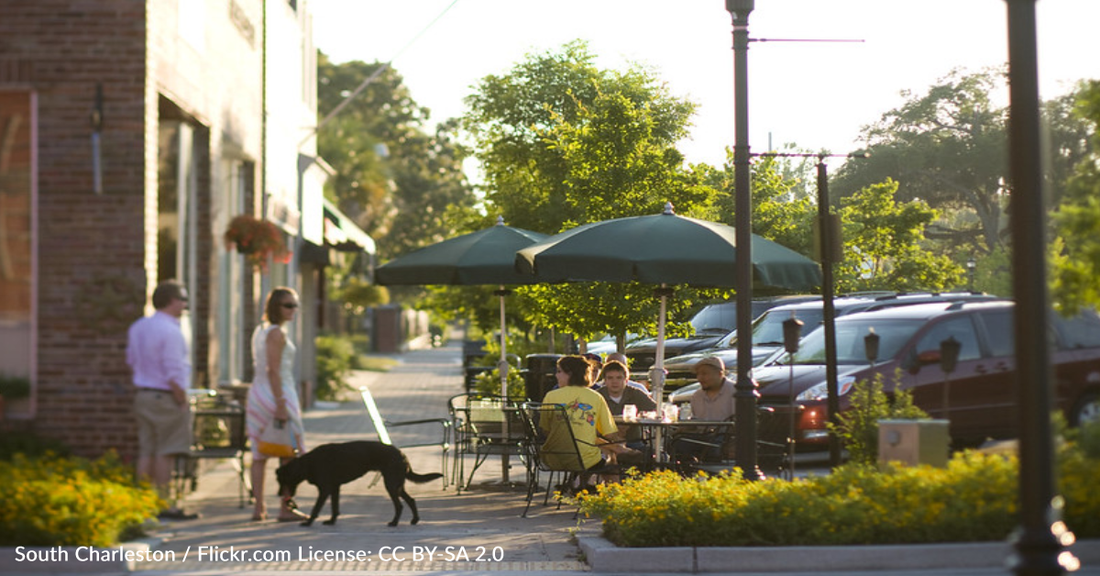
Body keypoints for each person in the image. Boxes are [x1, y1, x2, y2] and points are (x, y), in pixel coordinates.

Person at [126, 280, 198, 520]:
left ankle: (141, 504)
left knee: (147, 450)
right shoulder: (171, 331)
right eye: (183, 299)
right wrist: (181, 399)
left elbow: (132, 360)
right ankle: (163, 505)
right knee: (166, 452)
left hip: (143, 394)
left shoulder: (139, 326)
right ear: (171, 300)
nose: (185, 304)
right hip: (165, 396)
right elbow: (173, 371)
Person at [246, 287, 307, 522]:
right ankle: (285, 506)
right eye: (288, 305)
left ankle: (259, 508)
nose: (293, 310)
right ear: (276, 307)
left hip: (258, 393)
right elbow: (273, 369)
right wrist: (281, 403)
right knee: (289, 452)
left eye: (295, 305)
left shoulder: (260, 331)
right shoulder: (276, 334)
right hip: (276, 394)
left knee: (259, 452)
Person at [540, 355, 634, 483]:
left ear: (570, 373)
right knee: (610, 466)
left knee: (586, 440)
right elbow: (610, 434)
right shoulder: (595, 397)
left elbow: (545, 429)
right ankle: (614, 496)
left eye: (559, 371)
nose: (556, 376)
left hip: (552, 458)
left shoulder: (550, 396)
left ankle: (580, 487)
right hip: (584, 459)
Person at [671, 356, 736, 464]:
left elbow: (743, 423)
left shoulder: (736, 392)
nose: (700, 378)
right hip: (702, 436)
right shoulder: (697, 396)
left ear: (720, 374)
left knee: (713, 446)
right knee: (675, 443)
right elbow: (696, 423)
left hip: (725, 437)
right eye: (698, 374)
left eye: (705, 374)